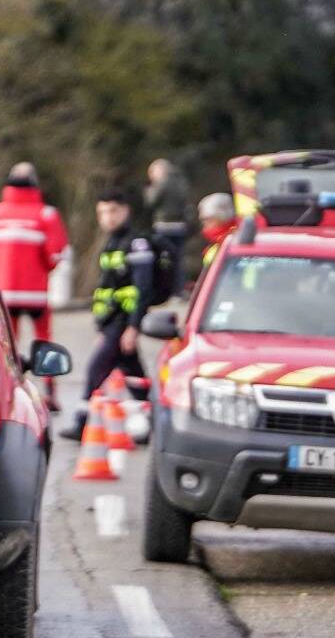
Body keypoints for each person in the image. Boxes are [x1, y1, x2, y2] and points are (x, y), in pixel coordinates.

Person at [59, 187, 154, 440]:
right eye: (102, 212)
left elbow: (142, 290)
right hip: (112, 323)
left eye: (113, 211)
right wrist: (101, 327)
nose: (108, 217)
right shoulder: (111, 244)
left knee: (94, 370)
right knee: (134, 375)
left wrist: (133, 327)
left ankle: (81, 423)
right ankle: (154, 420)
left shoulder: (136, 244)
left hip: (123, 323)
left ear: (125, 211)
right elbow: (106, 290)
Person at [0, 163, 71, 407]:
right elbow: (54, 255)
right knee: (45, 341)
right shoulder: (47, 215)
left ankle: (9, 391)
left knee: (6, 343)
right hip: (36, 295)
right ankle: (50, 393)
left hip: (4, 294)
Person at [144, 158, 191, 297]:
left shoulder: (161, 184)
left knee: (164, 259)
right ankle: (179, 290)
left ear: (160, 171)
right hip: (180, 225)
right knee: (178, 259)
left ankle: (164, 290)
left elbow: (150, 202)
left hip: (164, 226)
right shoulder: (181, 183)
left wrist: (149, 188)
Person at [193, 192, 236, 283]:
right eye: (203, 221)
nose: (204, 226)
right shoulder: (214, 245)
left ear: (221, 219)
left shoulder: (232, 242)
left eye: (208, 220)